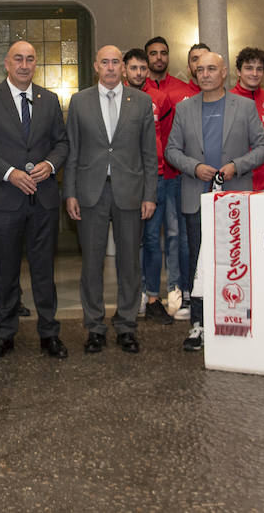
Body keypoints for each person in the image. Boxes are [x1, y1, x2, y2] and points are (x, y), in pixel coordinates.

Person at [0, 40, 70, 361]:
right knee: (7, 270)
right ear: (7, 64)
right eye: (18, 59)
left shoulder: (50, 100)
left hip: (43, 199)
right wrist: (10, 173)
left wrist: (51, 164)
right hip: (4, 198)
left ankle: (49, 333)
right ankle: (4, 333)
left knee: (44, 271)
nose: (25, 64)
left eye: (30, 59)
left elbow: (62, 143)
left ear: (35, 64)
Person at [165, 51, 264, 353]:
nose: (206, 74)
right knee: (197, 264)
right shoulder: (184, 110)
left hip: (233, 199)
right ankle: (198, 324)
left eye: (212, 69)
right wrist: (193, 167)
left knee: (234, 263)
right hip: (196, 198)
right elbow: (172, 150)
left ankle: (237, 320)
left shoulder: (246, 107)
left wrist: (237, 165)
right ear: (194, 74)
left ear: (225, 72)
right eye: (200, 70)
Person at [66, 46, 157, 354]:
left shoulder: (142, 102)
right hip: (91, 192)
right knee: (91, 264)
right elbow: (73, 152)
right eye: (104, 62)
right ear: (96, 66)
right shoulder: (79, 102)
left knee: (129, 262)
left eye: (115, 62)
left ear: (123, 66)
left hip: (130, 192)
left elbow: (149, 154)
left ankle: (127, 325)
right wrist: (70, 193)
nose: (109, 67)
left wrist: (150, 195)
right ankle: (94, 326)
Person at [141, 36, 192, 318]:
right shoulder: (137, 92)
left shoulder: (183, 89)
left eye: (163, 53)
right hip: (149, 176)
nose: (158, 58)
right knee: (147, 238)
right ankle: (147, 292)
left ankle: (176, 290)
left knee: (175, 236)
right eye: (153, 54)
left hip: (176, 175)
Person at [126, 48, 175, 325]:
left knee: (153, 240)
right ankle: (133, 297)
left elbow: (166, 136)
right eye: (133, 68)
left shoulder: (160, 99)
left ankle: (154, 297)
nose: (139, 73)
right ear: (124, 70)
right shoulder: (117, 98)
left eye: (142, 68)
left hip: (156, 176)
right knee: (130, 241)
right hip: (127, 179)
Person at [229, 46, 264, 193]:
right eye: (249, 68)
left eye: (259, 69)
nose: (254, 73)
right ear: (238, 71)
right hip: (238, 182)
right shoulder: (227, 101)